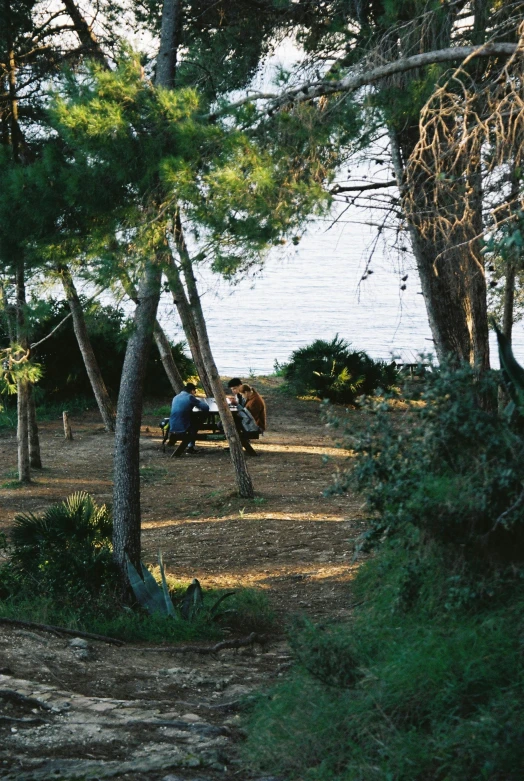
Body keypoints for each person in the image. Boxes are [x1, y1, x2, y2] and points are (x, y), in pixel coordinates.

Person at [169, 382, 209, 455]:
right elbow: (205, 407)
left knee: (192, 419)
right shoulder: (190, 397)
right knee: (196, 424)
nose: (195, 393)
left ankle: (177, 440)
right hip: (183, 426)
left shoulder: (176, 397)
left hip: (172, 424)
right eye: (194, 391)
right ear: (192, 391)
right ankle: (190, 448)